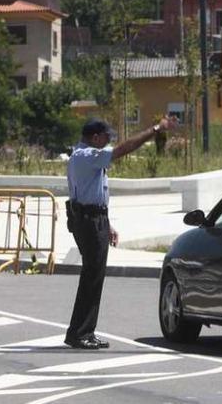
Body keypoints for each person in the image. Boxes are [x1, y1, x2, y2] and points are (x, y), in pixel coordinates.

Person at [64, 116, 178, 349]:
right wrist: (155, 129)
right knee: (92, 278)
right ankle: (80, 332)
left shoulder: (84, 156)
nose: (108, 143)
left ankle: (83, 331)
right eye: (106, 138)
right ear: (95, 137)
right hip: (88, 220)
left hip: (91, 219)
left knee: (93, 277)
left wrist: (107, 225)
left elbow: (91, 194)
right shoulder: (86, 155)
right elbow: (122, 150)